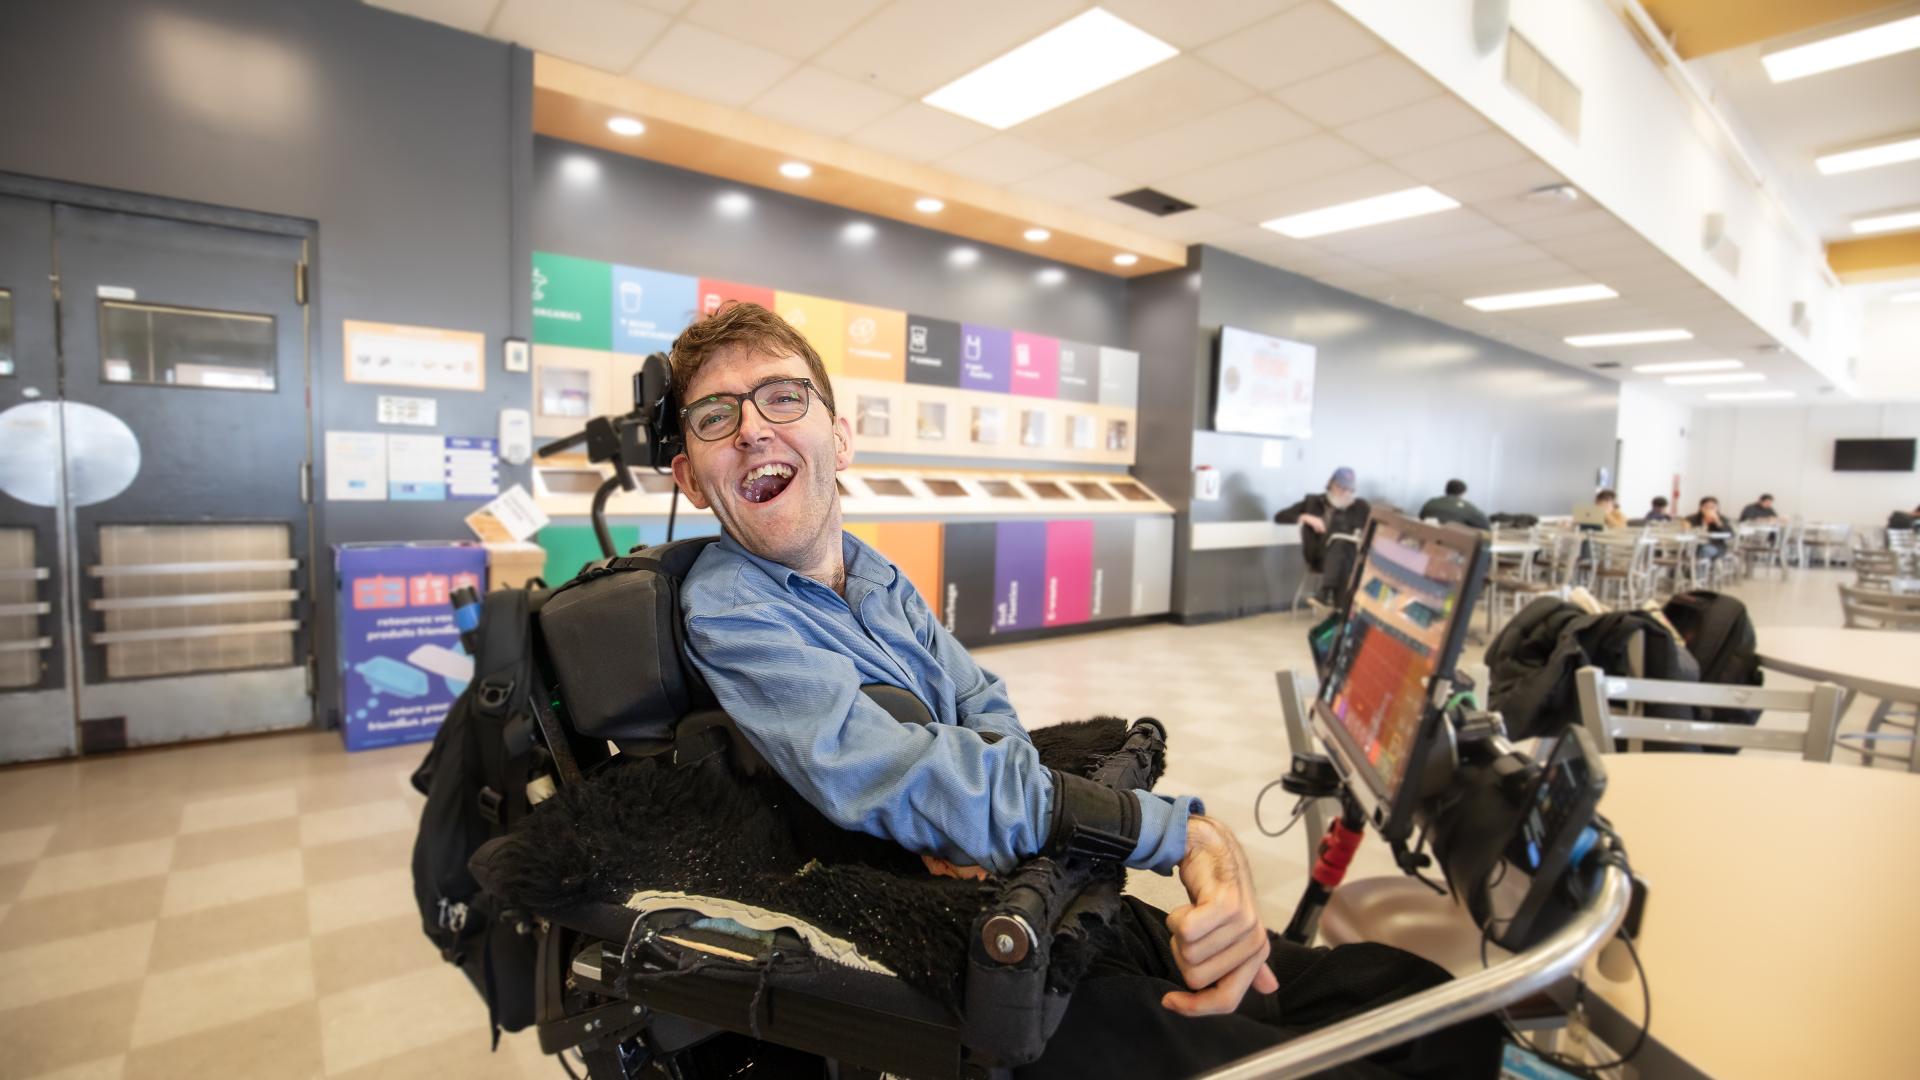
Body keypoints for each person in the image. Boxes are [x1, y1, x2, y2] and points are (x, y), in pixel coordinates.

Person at [663, 303, 1493, 1076]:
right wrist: (1175, 832)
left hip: (1033, 886)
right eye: (715, 417)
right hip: (981, 957)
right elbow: (887, 766)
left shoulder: (873, 573)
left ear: (839, 438)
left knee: (1434, 1007)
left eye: (781, 397)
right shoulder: (730, 605)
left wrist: (983, 817)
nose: (751, 430)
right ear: (690, 478)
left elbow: (981, 702)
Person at [1275, 468, 1372, 605]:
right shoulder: (1313, 502)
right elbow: (1280, 516)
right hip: (1320, 556)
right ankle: (1338, 605)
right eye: (1340, 487)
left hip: (1352, 558)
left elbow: (1375, 527)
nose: (1344, 493)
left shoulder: (1360, 507)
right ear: (1330, 484)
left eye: (1348, 489)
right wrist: (1305, 517)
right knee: (1342, 546)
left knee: (1347, 551)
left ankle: (1329, 594)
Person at [1418, 479, 1490, 531]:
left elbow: (1421, 517)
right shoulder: (1467, 507)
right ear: (1463, 493)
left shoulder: (1431, 502)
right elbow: (1486, 526)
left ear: (1446, 490)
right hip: (1452, 542)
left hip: (1427, 539)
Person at [1688, 496, 1733, 563]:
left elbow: (1730, 534)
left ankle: (1699, 572)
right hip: (1695, 545)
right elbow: (1686, 531)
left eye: (1712, 508)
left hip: (1716, 546)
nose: (1709, 509)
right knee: (1681, 551)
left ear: (1717, 508)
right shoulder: (1693, 518)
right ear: (1701, 508)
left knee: (1705, 550)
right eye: (1706, 507)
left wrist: (1718, 522)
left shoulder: (1722, 519)